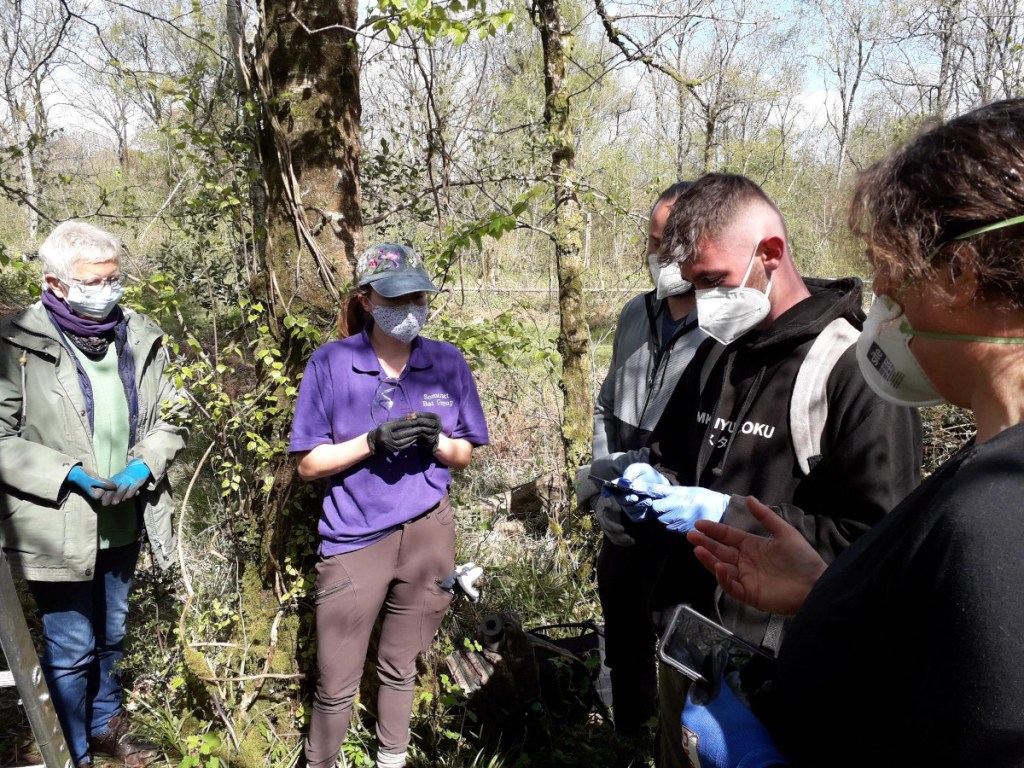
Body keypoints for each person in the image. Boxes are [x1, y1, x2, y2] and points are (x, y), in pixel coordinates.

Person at [680, 98, 1024, 768]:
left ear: (961, 274)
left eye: (891, 270)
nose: (882, 295)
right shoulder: (988, 461)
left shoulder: (1002, 509)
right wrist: (832, 591)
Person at [589, 173, 922, 767]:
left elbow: (879, 545)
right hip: (686, 641)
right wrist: (649, 483)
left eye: (714, 281)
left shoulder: (853, 371)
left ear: (770, 254)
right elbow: (673, 451)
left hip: (780, 664)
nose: (704, 301)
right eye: (693, 284)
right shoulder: (720, 348)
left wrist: (726, 511)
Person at [290, 243, 489, 768]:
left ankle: (391, 759)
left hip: (429, 533)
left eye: (419, 297)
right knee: (336, 682)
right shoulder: (332, 363)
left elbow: (463, 453)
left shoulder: (445, 361)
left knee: (402, 664)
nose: (410, 308)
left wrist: (436, 442)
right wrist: (370, 443)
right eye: (396, 298)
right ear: (367, 299)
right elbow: (308, 464)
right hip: (355, 538)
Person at [0, 221, 189, 767]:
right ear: (56, 283)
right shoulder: (17, 344)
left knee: (111, 633)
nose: (107, 290)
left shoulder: (139, 335)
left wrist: (142, 465)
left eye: (113, 278)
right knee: (70, 648)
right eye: (92, 281)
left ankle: (106, 725)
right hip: (55, 524)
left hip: (125, 517)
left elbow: (170, 419)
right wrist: (69, 474)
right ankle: (71, 750)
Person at [588, 182, 706, 748]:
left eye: (668, 243)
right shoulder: (636, 312)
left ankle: (674, 748)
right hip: (620, 519)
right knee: (624, 639)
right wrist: (598, 490)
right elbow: (608, 404)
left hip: (685, 527)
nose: (655, 253)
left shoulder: (725, 326)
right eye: (651, 240)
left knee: (681, 658)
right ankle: (629, 740)